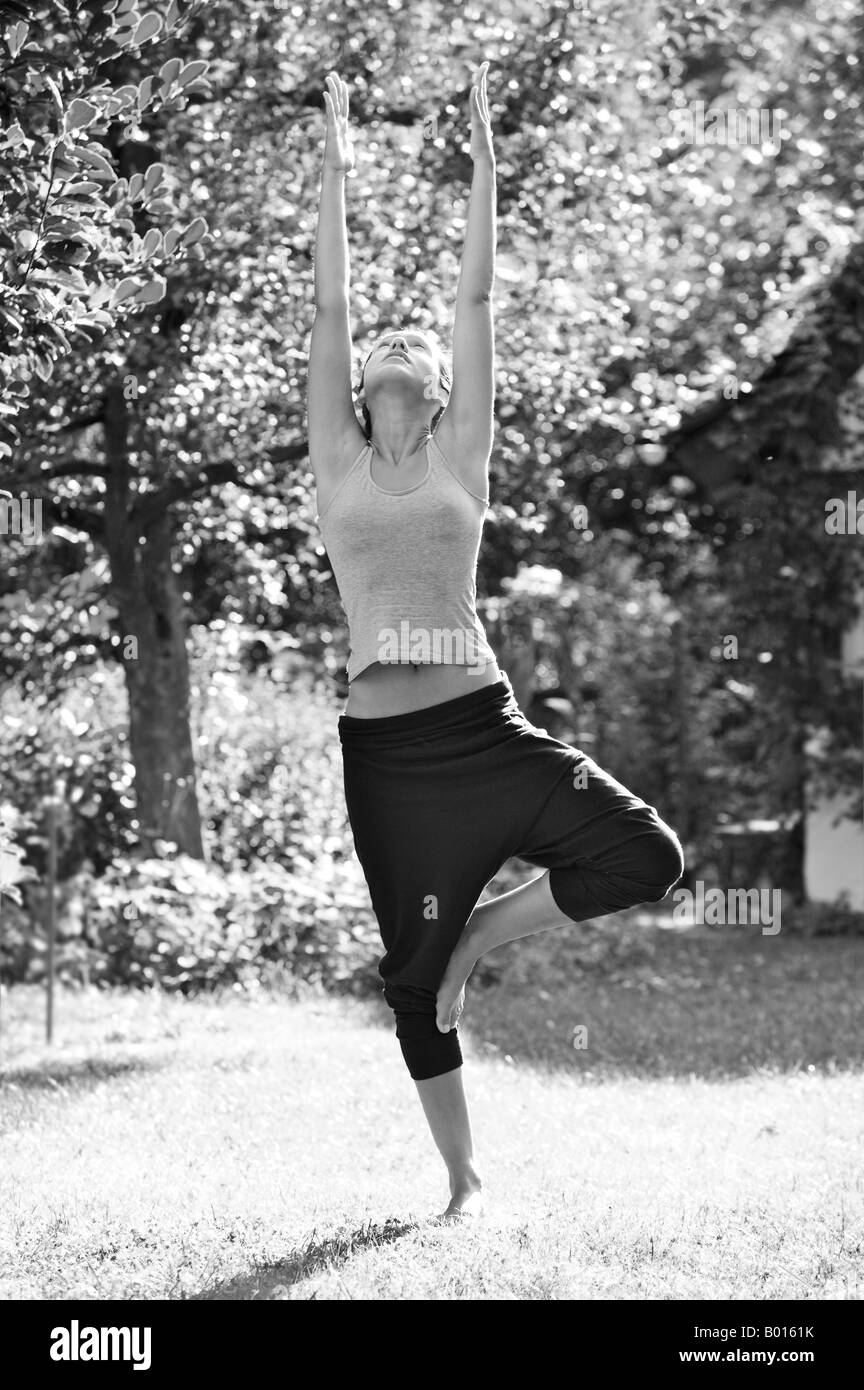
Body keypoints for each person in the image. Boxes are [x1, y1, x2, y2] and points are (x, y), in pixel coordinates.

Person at [307, 65, 684, 1220]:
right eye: (382, 355)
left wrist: (485, 165)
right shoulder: (339, 463)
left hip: (482, 725)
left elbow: (474, 303)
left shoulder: (464, 457)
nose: (399, 350)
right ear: (365, 391)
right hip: (391, 764)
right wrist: (333, 166)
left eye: (419, 355)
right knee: (410, 985)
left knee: (644, 854)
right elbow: (329, 308)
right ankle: (464, 1179)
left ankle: (480, 933)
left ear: (437, 389)